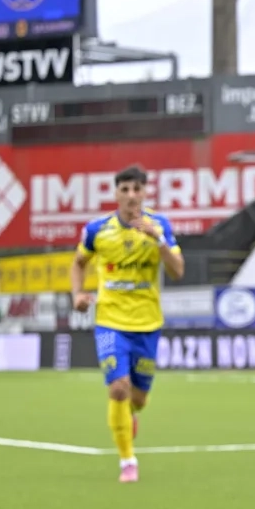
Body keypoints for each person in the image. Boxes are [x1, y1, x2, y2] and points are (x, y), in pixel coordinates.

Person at [70, 165, 185, 484]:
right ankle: (127, 461)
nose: (131, 195)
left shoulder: (159, 226)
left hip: (147, 323)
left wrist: (158, 240)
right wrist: (77, 294)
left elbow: (178, 270)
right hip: (110, 321)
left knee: (138, 399)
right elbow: (78, 263)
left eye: (137, 189)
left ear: (145, 192)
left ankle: (129, 416)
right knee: (118, 388)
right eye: (125, 189)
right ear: (116, 193)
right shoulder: (97, 230)